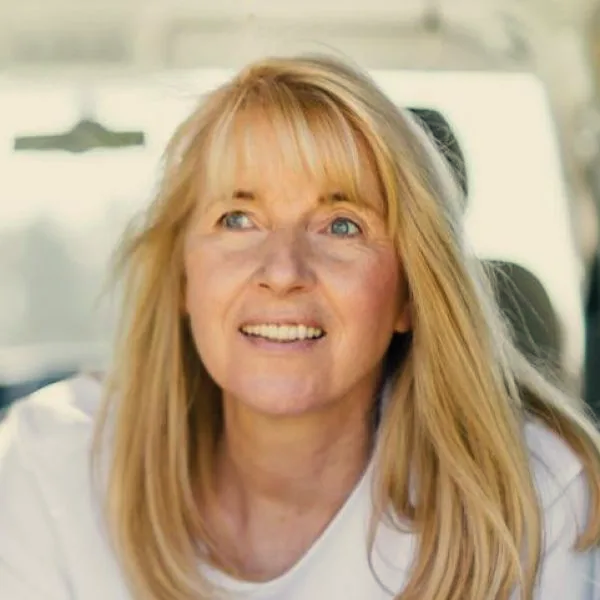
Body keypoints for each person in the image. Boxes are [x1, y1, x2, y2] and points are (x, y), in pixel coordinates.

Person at [1, 54, 599, 600]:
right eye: (238, 219)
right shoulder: (49, 469)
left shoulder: (539, 497)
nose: (283, 271)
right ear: (183, 277)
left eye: (341, 225)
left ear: (410, 294)